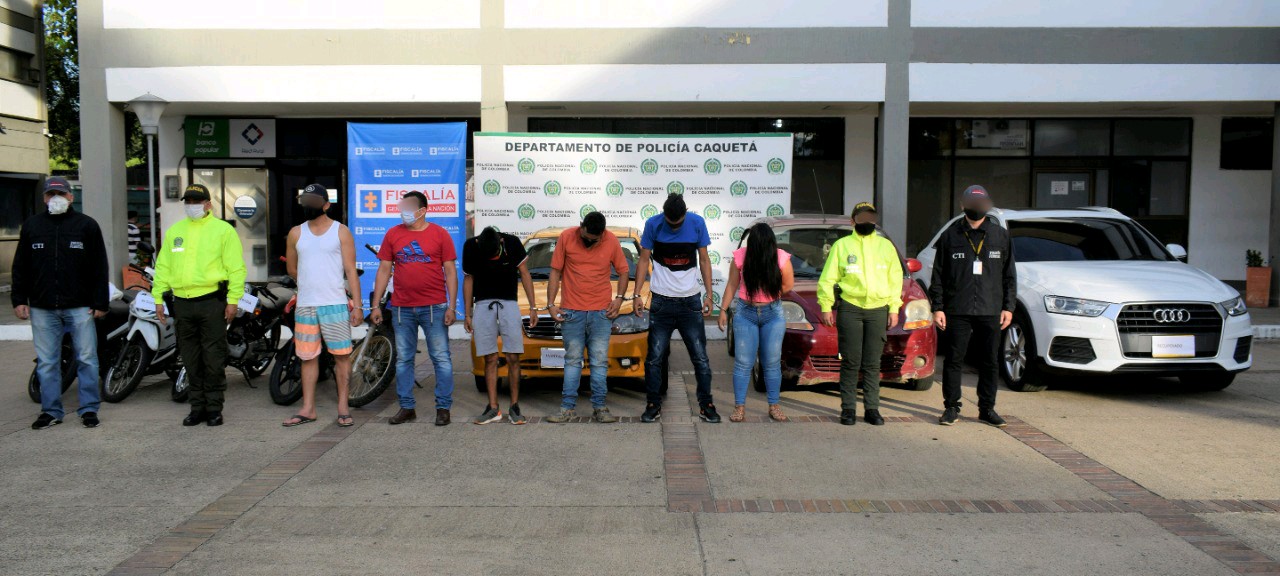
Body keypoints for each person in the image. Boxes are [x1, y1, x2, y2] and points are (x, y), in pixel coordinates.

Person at [12, 177, 109, 430]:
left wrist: (100, 302)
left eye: (61, 193)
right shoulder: (33, 226)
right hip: (42, 307)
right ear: (44, 198)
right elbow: (21, 266)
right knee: (47, 362)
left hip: (80, 306)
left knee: (87, 358)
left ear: (70, 197)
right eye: (51, 194)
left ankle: (88, 409)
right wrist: (19, 299)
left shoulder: (86, 225)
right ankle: (51, 410)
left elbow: (99, 267)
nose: (56, 198)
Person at [153, 184, 247, 427]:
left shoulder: (223, 231)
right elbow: (163, 267)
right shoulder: (176, 231)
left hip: (211, 303)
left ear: (208, 204)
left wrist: (233, 300)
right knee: (190, 358)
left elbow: (236, 268)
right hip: (182, 303)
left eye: (196, 201)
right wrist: (158, 298)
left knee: (213, 358)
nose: (191, 205)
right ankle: (197, 408)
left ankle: (214, 408)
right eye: (188, 201)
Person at [929, 185, 1017, 428]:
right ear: (962, 205)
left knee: (989, 361)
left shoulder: (1000, 236)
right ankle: (951, 407)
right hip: (957, 309)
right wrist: (938, 307)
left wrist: (1008, 307)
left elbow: (1009, 276)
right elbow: (938, 276)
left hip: (990, 309)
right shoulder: (950, 236)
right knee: (954, 360)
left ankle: (987, 409)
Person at [371, 191, 458, 426]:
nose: (403, 210)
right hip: (402, 308)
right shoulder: (393, 234)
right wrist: (376, 304)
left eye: (408, 206)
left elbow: (450, 271)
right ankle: (407, 407)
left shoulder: (440, 234)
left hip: (435, 307)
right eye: (402, 205)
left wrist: (452, 306)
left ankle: (443, 408)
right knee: (403, 359)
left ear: (422, 210)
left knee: (441, 358)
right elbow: (383, 270)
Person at [282, 184, 363, 429]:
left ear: (326, 204)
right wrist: (310, 283)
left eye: (314, 200)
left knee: (342, 357)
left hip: (335, 305)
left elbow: (351, 270)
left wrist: (357, 306)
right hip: (306, 306)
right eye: (305, 200)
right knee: (307, 357)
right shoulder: (296, 233)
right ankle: (308, 409)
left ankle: (343, 407)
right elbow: (292, 269)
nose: (308, 205)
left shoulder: (341, 231)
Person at [633, 194, 719, 423]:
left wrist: (709, 295)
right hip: (661, 302)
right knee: (654, 359)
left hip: (690, 303)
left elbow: (704, 260)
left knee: (700, 358)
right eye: (671, 224)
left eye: (678, 224)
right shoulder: (653, 224)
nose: (674, 227)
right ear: (664, 214)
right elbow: (643, 261)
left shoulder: (697, 223)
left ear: (685, 214)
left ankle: (706, 405)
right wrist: (636, 294)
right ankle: (653, 405)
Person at [816, 202, 903, 426]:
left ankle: (872, 409)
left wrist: (894, 308)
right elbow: (827, 278)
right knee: (850, 361)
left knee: (873, 362)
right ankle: (848, 409)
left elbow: (895, 280)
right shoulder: (841, 246)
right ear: (853, 221)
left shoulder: (886, 246)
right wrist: (826, 305)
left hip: (878, 309)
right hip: (850, 308)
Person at [545, 212, 630, 424]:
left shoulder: (611, 240)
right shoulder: (566, 237)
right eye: (586, 238)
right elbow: (555, 272)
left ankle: (600, 407)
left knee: (599, 361)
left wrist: (618, 299)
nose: (589, 243)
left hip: (601, 313)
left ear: (603, 233)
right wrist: (551, 304)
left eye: (595, 240)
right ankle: (567, 409)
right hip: (571, 312)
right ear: (581, 226)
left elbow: (624, 271)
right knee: (573, 360)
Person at [717, 222, 794, 423]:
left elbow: (788, 284)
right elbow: (732, 284)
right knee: (743, 363)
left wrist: (771, 294)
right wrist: (723, 310)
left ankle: (774, 406)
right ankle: (739, 408)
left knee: (771, 363)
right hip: (745, 313)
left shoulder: (781, 257)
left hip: (773, 314)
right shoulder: (741, 256)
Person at [463, 226, 538, 425]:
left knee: (513, 356)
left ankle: (514, 406)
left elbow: (525, 274)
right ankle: (493, 408)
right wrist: (467, 314)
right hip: (482, 305)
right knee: (490, 357)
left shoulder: (512, 242)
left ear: (501, 243)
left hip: (509, 304)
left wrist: (533, 307)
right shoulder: (471, 246)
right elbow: (468, 279)